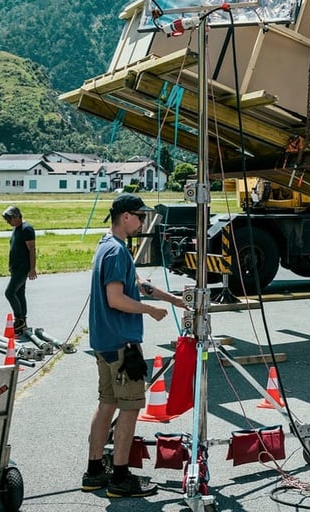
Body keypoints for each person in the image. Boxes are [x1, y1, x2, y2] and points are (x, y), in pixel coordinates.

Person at [82, 193, 186, 497]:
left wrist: (173, 299)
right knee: (129, 409)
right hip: (122, 346)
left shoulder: (108, 247)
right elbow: (116, 298)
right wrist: (150, 311)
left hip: (105, 342)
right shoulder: (116, 253)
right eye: (140, 216)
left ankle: (94, 472)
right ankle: (121, 478)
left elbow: (138, 285)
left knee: (107, 404)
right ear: (126, 216)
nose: (143, 222)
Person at [3, 205, 37, 336]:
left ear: (16, 216)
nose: (8, 222)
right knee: (19, 293)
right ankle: (23, 322)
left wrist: (32, 268)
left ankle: (19, 319)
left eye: (9, 219)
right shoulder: (16, 228)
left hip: (23, 268)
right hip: (16, 267)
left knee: (9, 293)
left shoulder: (26, 229)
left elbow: (32, 249)